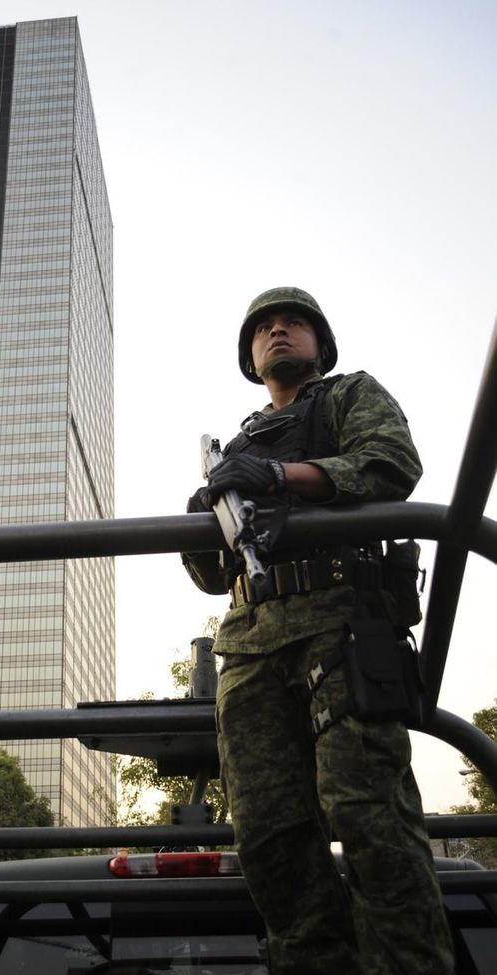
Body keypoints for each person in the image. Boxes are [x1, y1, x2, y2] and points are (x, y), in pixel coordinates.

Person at [182, 287, 455, 975]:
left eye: (293, 323)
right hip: (249, 647)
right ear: (250, 355)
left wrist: (283, 477)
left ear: (319, 344)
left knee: (369, 820)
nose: (278, 331)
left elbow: (391, 464)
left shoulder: (347, 397)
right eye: (264, 328)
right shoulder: (237, 446)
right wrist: (205, 514)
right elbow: (213, 577)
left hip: (341, 628)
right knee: (271, 842)